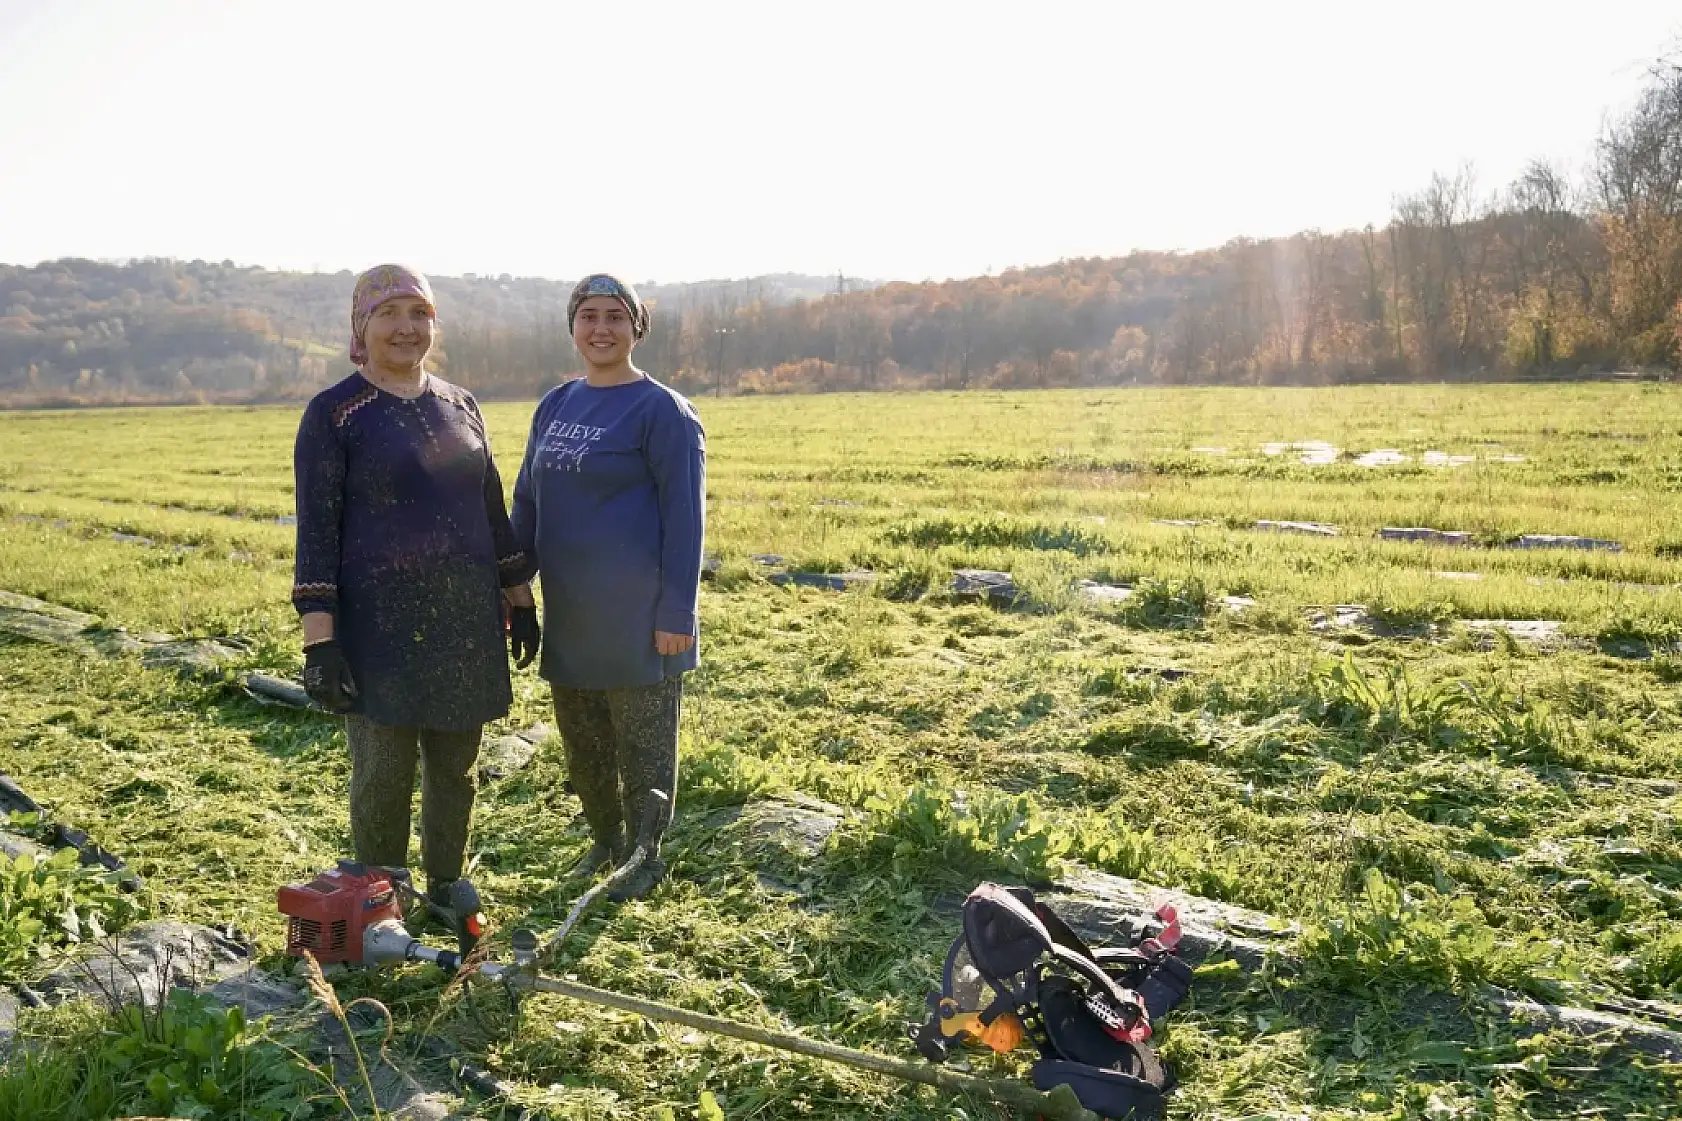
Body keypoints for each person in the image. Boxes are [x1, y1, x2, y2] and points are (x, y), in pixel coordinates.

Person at [291, 263, 541, 931]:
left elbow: (490, 509)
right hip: (379, 631)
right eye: (390, 313)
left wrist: (519, 594)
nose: (407, 327)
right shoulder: (335, 415)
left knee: (456, 767)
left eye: (420, 313)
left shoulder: (461, 405)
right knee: (382, 771)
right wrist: (322, 644)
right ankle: (379, 894)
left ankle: (445, 879)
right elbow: (316, 536)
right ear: (361, 327)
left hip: (465, 621)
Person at [511, 273, 706, 902]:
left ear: (636, 328)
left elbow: (685, 519)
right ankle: (605, 841)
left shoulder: (663, 411)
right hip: (572, 617)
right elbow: (527, 502)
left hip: (642, 619)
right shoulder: (556, 405)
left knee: (644, 751)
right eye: (588, 316)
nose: (601, 328)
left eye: (615, 317)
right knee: (586, 744)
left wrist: (678, 611)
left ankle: (644, 859)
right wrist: (513, 582)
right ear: (572, 327)